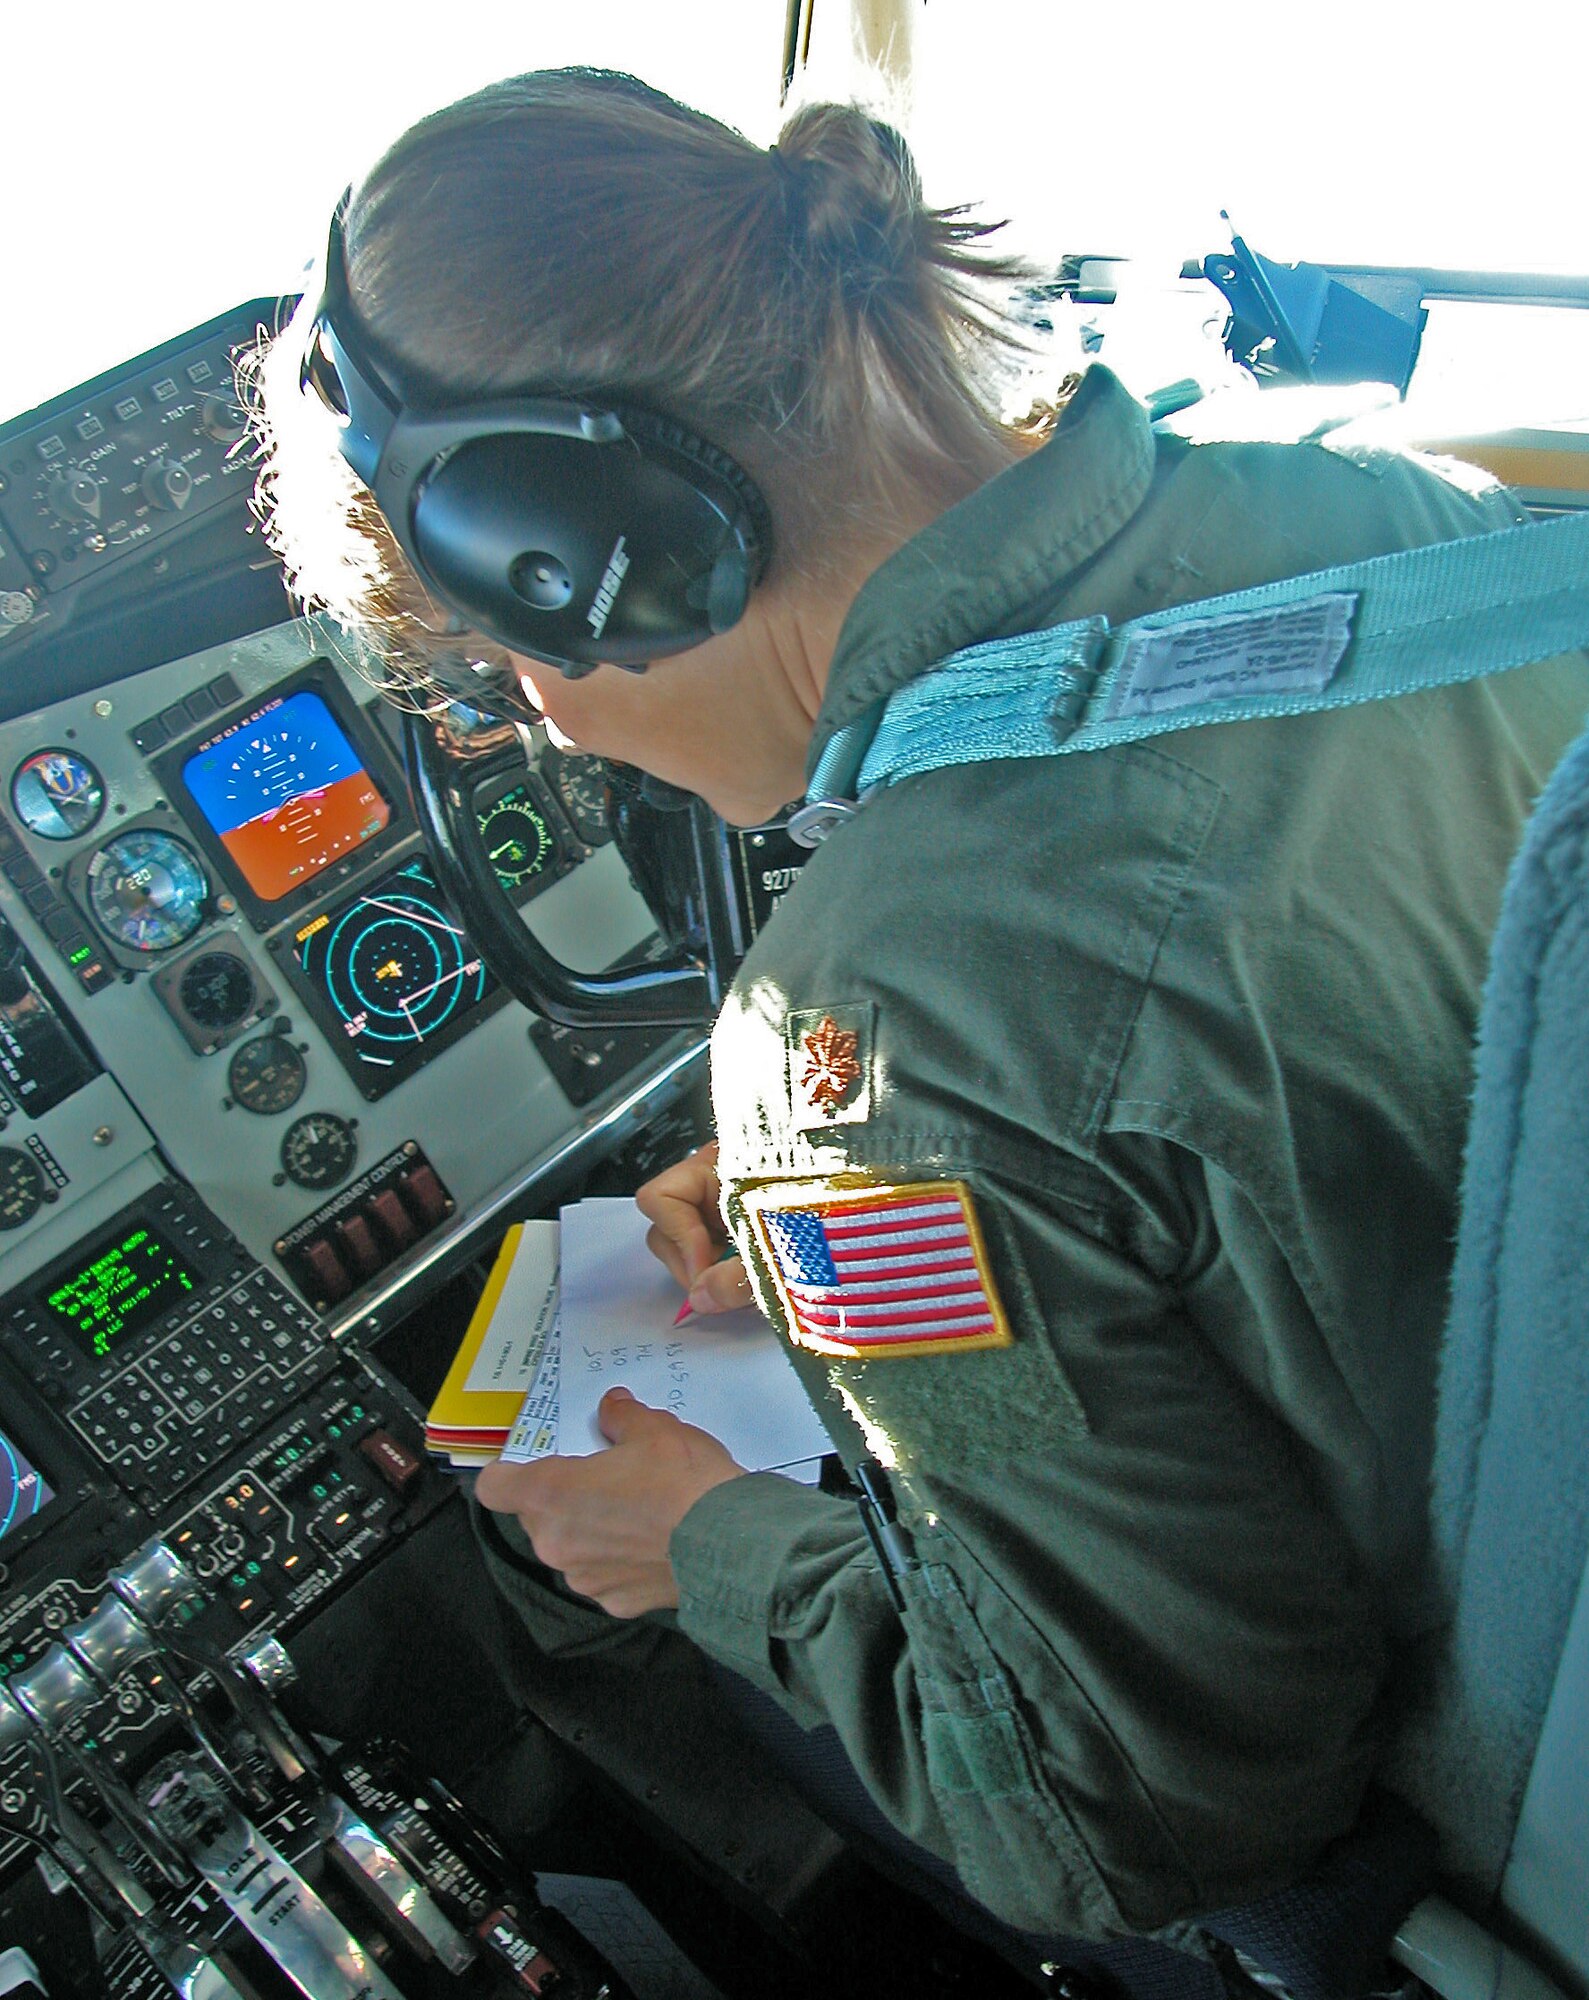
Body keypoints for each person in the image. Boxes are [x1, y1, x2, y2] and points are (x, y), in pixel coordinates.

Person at [253, 68, 1589, 1942]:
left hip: (1478, 1812)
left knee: (601, 1637)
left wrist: (715, 1551)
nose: (543, 716)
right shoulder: (1384, 505)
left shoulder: (868, 1054)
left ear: (577, 544)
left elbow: (1136, 1816)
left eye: (498, 653)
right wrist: (858, 1217)